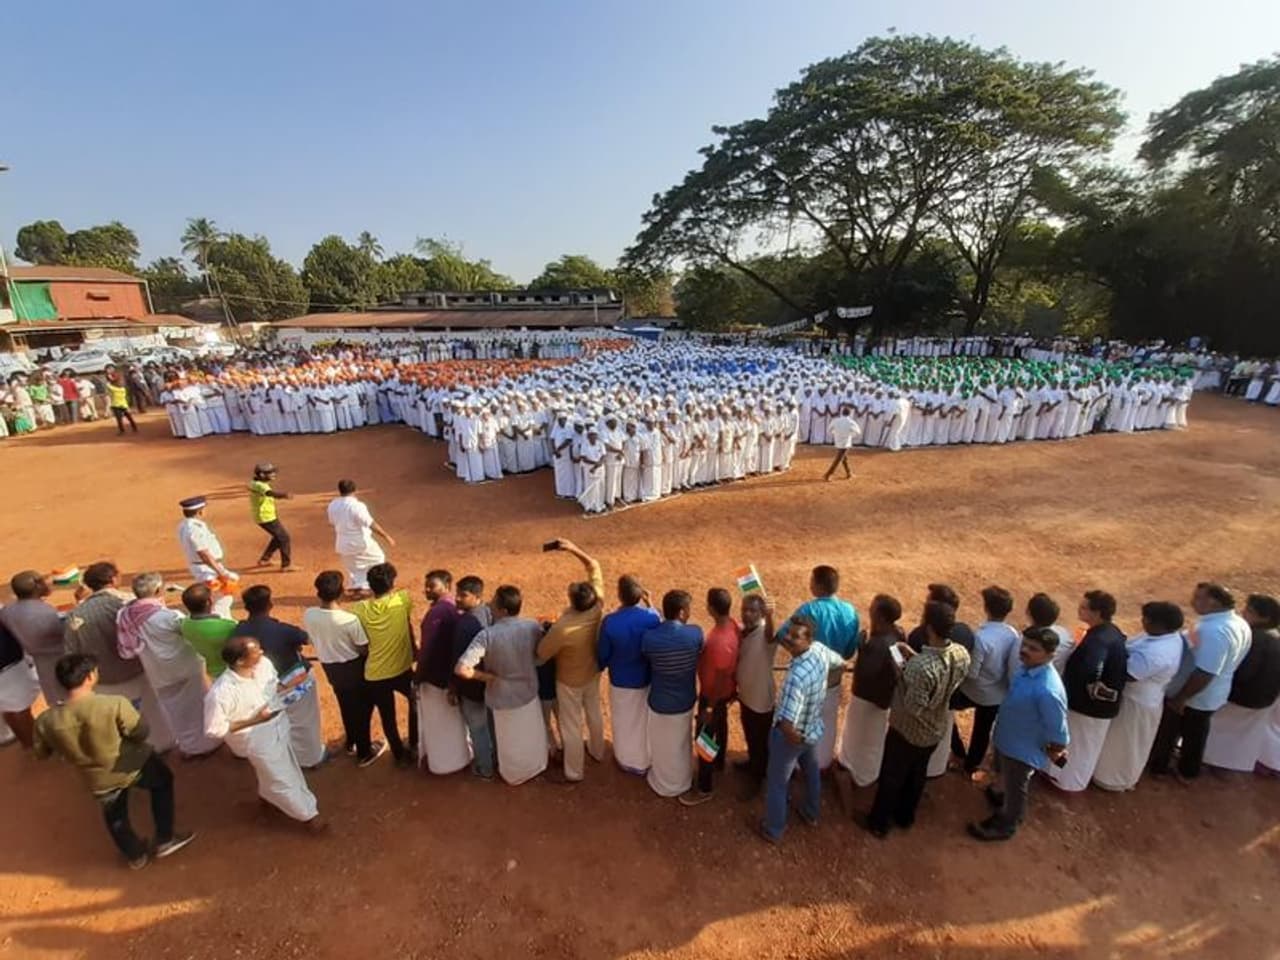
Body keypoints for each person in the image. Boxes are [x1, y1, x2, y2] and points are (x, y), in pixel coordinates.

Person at [34, 653, 195, 869]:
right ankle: (165, 838)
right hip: (131, 764)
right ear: (90, 677)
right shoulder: (113, 704)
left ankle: (135, 855)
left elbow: (42, 753)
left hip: (96, 778)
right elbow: (140, 732)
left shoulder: (46, 720)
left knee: (114, 813)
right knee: (163, 781)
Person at [861, 601, 970, 838]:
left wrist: (902, 675)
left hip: (907, 731)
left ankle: (878, 823)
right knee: (917, 775)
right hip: (936, 729)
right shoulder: (961, 654)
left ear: (928, 626)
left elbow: (912, 707)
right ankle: (905, 816)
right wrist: (914, 659)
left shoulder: (919, 668)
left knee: (891, 777)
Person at [204, 636, 324, 831]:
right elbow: (215, 729)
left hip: (280, 725)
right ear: (240, 661)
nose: (261, 652)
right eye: (255, 651)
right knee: (282, 777)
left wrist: (290, 685)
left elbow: (272, 688)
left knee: (283, 768)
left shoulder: (264, 665)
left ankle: (267, 801)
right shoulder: (221, 693)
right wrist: (256, 720)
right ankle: (309, 816)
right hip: (256, 739)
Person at [968, 626, 1069, 842]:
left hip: (1023, 750)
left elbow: (1058, 729)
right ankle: (1002, 800)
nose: (1025, 650)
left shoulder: (1048, 690)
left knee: (1016, 788)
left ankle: (1006, 824)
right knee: (1006, 778)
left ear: (1050, 654)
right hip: (1008, 738)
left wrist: (1057, 748)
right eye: (1024, 645)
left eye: (1034, 648)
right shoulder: (1026, 669)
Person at [64, 562, 175, 753]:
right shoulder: (131, 602)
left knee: (120, 717)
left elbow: (71, 651)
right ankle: (163, 744)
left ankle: (135, 750)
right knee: (152, 710)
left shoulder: (75, 615)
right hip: (138, 670)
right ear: (114, 579)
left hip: (103, 678)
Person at [1150, 582, 1252, 781]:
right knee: (1196, 732)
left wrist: (1181, 698)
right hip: (1213, 693)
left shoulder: (1215, 632)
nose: (1192, 601)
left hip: (1196, 694)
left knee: (1172, 732)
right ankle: (1187, 770)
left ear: (1212, 602)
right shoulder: (1238, 623)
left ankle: (1161, 768)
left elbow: (1205, 672)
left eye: (1198, 598)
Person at [116, 572, 220, 758]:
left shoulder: (126, 615)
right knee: (199, 706)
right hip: (184, 669)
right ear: (157, 590)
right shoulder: (168, 617)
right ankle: (206, 745)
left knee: (175, 711)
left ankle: (188, 747)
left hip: (157, 673)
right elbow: (192, 628)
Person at [760, 615, 844, 844]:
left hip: (791, 738)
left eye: (795, 636)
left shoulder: (796, 678)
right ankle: (811, 812)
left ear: (808, 640)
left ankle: (774, 829)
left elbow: (787, 724)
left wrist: (791, 738)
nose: (789, 638)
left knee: (777, 782)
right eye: (790, 633)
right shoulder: (820, 650)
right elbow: (841, 663)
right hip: (813, 728)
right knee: (811, 771)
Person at [455, 584, 548, 785]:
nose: (489, 604)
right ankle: (536, 765)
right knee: (530, 734)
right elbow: (540, 654)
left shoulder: (487, 635)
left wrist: (487, 678)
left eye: (494, 602)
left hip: (501, 697)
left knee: (508, 741)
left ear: (503, 610)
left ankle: (512, 774)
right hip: (528, 693)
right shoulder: (532, 626)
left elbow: (462, 669)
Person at [1093, 601, 1186, 791]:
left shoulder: (1158, 652)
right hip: (1140, 698)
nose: (1142, 622)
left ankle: (1113, 780)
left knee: (1124, 743)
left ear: (1159, 625)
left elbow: (1128, 674)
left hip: (1137, 702)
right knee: (1123, 740)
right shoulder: (1161, 636)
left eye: (1146, 620)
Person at [776, 565, 860, 770]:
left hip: (807, 681)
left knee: (799, 721)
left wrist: (797, 651)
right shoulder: (850, 612)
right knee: (828, 721)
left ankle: (796, 766)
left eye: (812, 580)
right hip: (833, 681)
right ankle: (820, 764)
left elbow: (781, 635)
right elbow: (849, 653)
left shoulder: (808, 610)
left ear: (818, 585)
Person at [233, 585, 327, 769]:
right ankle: (310, 758)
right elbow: (307, 638)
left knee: (276, 720)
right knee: (304, 720)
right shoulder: (282, 630)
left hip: (262, 688)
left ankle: (285, 753)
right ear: (269, 605)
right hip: (293, 683)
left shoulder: (239, 631)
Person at [537, 539, 606, 783]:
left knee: (571, 726)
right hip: (593, 671)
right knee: (594, 712)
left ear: (573, 602)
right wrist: (574, 548)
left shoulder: (563, 628)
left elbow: (542, 654)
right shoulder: (598, 606)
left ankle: (574, 771)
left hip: (568, 681)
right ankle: (598, 751)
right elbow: (594, 565)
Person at [303, 570, 385, 767]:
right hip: (353, 667)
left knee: (345, 702)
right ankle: (364, 752)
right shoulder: (348, 620)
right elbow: (362, 648)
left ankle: (351, 742)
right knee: (363, 707)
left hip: (330, 668)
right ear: (341, 593)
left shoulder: (309, 614)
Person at [1051, 590, 1128, 792]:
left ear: (1097, 612)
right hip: (1098, 705)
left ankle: (1068, 782)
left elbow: (1091, 668)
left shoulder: (1099, 640)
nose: (1080, 609)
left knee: (1078, 745)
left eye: (1085, 607)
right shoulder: (1109, 632)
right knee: (1085, 744)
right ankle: (1069, 779)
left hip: (1087, 706)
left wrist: (1083, 688)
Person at [1203, 593, 1280, 773]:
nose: (1244, 613)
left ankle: (1205, 758)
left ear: (1264, 617)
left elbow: (1243, 674)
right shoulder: (1275, 638)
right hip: (1267, 699)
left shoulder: (1253, 638)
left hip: (1244, 697)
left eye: (1249, 611)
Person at [351, 563, 417, 766]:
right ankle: (414, 742)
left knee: (387, 716)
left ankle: (399, 754)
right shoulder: (403, 599)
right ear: (392, 583)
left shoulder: (359, 608)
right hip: (403, 668)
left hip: (376, 673)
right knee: (415, 703)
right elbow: (408, 623)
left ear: (370, 586)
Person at [837, 594, 903, 797]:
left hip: (867, 703)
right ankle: (867, 774)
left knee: (858, 739)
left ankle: (855, 774)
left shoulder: (875, 645)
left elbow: (864, 674)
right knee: (872, 742)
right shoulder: (897, 635)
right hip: (883, 703)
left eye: (873, 608)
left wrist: (861, 649)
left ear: (881, 617)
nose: (869, 609)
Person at [640, 590, 704, 799]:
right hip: (684, 702)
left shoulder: (650, 638)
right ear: (682, 612)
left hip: (659, 702)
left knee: (661, 744)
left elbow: (651, 649)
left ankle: (663, 781)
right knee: (681, 742)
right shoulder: (695, 634)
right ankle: (682, 780)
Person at [951, 586, 1020, 776]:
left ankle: (957, 751)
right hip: (997, 693)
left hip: (975, 690)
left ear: (986, 608)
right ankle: (971, 765)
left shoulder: (981, 638)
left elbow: (972, 673)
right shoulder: (1012, 633)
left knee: (946, 708)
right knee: (983, 730)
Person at [683, 587, 740, 806]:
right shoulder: (734, 626)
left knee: (704, 739)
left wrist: (708, 708)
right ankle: (719, 763)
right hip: (725, 695)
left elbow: (718, 678)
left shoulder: (717, 641)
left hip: (712, 697)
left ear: (711, 608)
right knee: (721, 726)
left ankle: (705, 786)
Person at [598, 574, 661, 775]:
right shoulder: (651, 617)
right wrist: (650, 602)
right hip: (646, 678)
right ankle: (646, 758)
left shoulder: (610, 622)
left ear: (619, 595)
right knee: (644, 720)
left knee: (624, 721)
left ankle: (627, 760)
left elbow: (603, 655)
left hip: (621, 680)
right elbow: (657, 620)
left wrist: (602, 665)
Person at [414, 570, 472, 775]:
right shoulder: (452, 608)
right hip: (450, 675)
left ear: (447, 586)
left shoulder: (438, 613)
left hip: (435, 677)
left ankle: (443, 763)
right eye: (427, 585)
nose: (427, 589)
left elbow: (427, 649)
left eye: (432, 585)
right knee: (452, 720)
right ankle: (460, 757)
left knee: (438, 721)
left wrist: (418, 677)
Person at [450, 575, 496, 779]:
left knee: (477, 728)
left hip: (471, 685)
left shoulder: (465, 624)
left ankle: (485, 769)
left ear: (476, 596)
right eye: (457, 594)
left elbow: (458, 662)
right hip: (491, 681)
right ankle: (495, 759)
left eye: (463, 595)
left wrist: (453, 688)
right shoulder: (488, 612)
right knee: (491, 724)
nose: (457, 599)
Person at [1, 569, 68, 705]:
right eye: (43, 581)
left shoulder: (7, 611)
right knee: (69, 697)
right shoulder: (45, 612)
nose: (47, 583)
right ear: (37, 586)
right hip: (62, 659)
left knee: (55, 701)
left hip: (36, 663)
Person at [734, 592, 777, 787]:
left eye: (752, 611)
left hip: (760, 700)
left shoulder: (766, 633)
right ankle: (752, 763)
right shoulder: (744, 632)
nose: (747, 614)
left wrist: (770, 616)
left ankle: (757, 779)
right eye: (744, 609)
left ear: (761, 614)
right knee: (750, 735)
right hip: (746, 696)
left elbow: (770, 634)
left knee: (760, 742)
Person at [326, 479, 396, 595]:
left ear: (340, 491)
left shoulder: (332, 505)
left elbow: (332, 521)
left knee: (353, 565)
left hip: (342, 543)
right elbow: (370, 523)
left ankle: (356, 587)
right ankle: (368, 587)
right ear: (355, 491)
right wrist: (386, 536)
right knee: (378, 558)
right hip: (360, 542)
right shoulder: (357, 506)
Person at [176, 496, 236, 617]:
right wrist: (222, 572)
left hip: (204, 567)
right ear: (200, 511)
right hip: (207, 568)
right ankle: (221, 624)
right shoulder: (194, 529)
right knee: (221, 600)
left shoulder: (184, 525)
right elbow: (203, 553)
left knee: (221, 598)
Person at [179, 583, 239, 679]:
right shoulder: (228, 626)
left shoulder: (184, 624)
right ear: (209, 602)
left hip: (204, 674)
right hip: (226, 674)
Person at [248, 463, 297, 572]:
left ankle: (265, 559)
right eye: (270, 473)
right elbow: (270, 493)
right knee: (284, 538)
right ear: (261, 474)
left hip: (265, 515)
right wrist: (284, 495)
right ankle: (286, 565)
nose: (273, 474)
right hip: (265, 517)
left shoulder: (254, 483)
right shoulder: (260, 485)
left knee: (278, 537)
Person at [0, 611, 38, 748]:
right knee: (19, 709)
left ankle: (28, 742)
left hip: (9, 665)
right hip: (8, 668)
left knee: (12, 709)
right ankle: (33, 744)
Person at [823, 404, 861, 481]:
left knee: (844, 458)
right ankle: (828, 474)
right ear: (850, 413)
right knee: (839, 459)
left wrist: (835, 433)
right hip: (846, 443)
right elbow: (858, 432)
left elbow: (829, 430)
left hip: (837, 441)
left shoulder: (836, 421)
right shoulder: (851, 422)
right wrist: (850, 435)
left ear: (842, 412)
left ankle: (849, 473)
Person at [106, 370, 138, 435]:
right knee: (129, 417)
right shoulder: (123, 389)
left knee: (119, 419)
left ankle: (122, 431)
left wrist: (109, 377)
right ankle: (134, 427)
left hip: (116, 405)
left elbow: (108, 384)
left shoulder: (113, 388)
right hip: (124, 404)